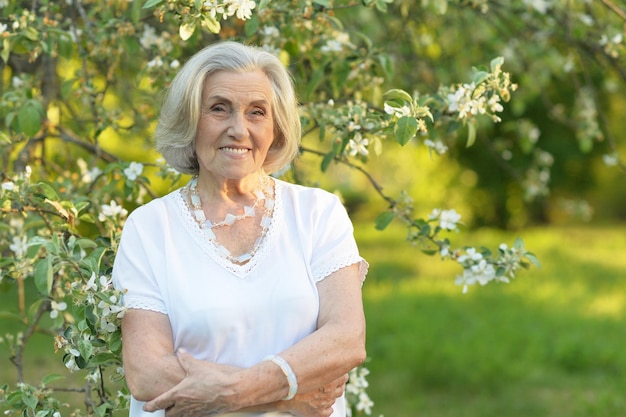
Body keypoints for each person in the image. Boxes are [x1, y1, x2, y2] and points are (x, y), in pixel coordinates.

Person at [112, 41, 368, 417]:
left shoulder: (317, 212)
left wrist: (232, 392)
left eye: (257, 112)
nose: (238, 129)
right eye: (219, 109)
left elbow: (346, 340)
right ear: (189, 120)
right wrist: (284, 397)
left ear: (276, 127)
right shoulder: (149, 228)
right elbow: (148, 374)